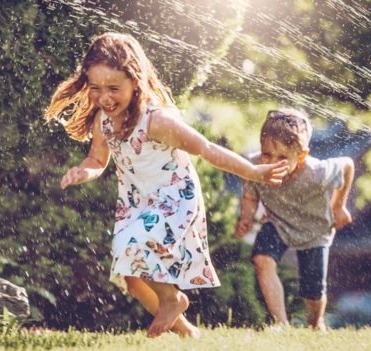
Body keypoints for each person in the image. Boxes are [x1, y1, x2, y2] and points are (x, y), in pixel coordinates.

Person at [45, 32, 289, 338]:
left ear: (135, 82)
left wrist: (253, 171)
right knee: (132, 280)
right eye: (96, 89)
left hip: (174, 198)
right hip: (136, 204)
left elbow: (206, 149)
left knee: (129, 247)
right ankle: (186, 331)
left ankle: (173, 298)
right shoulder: (103, 121)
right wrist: (83, 172)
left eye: (114, 88)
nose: (105, 97)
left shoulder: (156, 121)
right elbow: (97, 159)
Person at [235, 108, 355, 331]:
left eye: (282, 158)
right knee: (262, 259)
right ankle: (281, 324)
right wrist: (246, 217)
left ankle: (315, 323)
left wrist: (338, 206)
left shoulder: (318, 172)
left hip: (314, 230)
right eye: (267, 154)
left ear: (300, 157)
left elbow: (348, 164)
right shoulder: (255, 167)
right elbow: (250, 195)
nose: (271, 162)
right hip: (278, 223)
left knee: (312, 290)